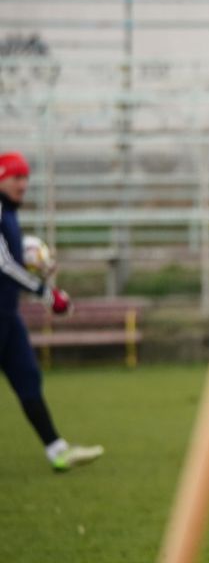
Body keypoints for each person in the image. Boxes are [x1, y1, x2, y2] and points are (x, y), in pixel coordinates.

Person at [0, 151, 104, 473]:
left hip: (7, 316)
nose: (24, 183)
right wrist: (47, 294)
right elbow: (4, 265)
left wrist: (36, 263)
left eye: (26, 177)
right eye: (17, 177)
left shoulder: (10, 216)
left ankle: (57, 449)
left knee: (28, 378)